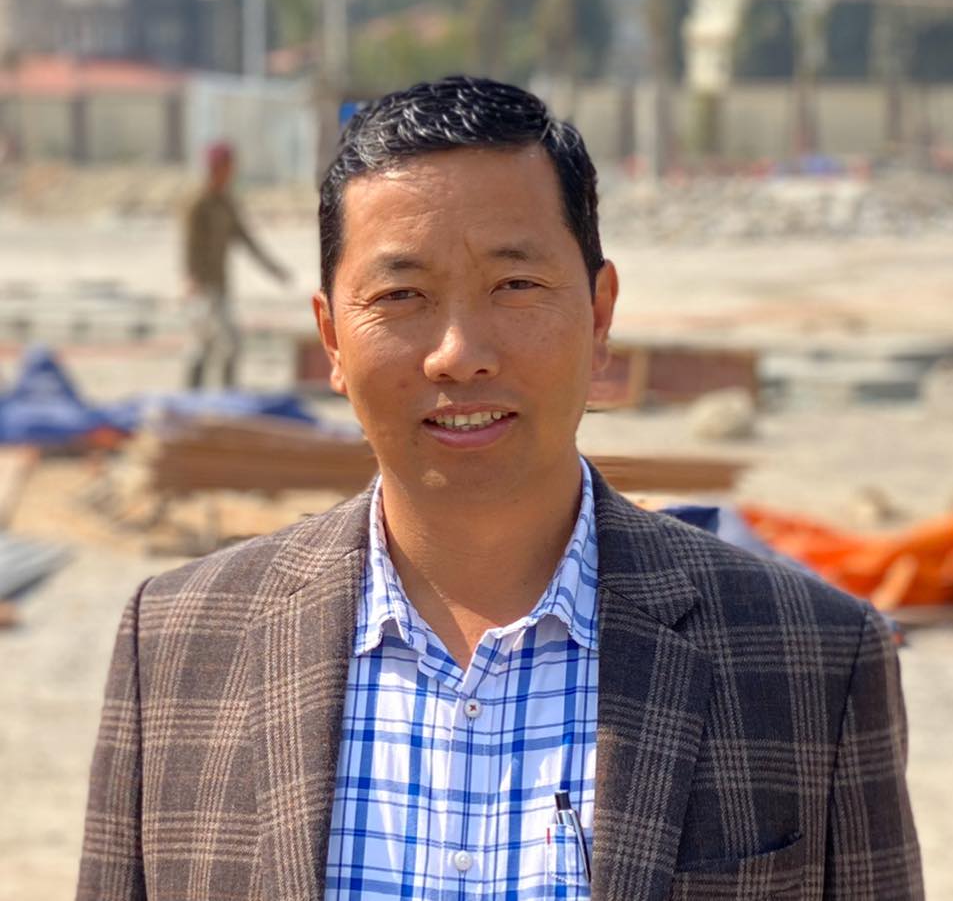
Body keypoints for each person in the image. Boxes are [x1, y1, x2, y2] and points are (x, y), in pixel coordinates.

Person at [77, 77, 922, 900]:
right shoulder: (179, 646)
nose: (458, 354)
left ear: (599, 317)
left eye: (514, 286)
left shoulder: (809, 657)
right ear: (331, 338)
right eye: (401, 295)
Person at [183, 142, 291, 388]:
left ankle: (227, 396)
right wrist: (191, 279)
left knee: (216, 344)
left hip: (220, 285)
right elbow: (189, 245)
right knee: (213, 343)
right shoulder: (197, 203)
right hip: (202, 287)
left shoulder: (227, 203)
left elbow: (246, 239)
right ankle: (194, 396)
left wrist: (274, 269)